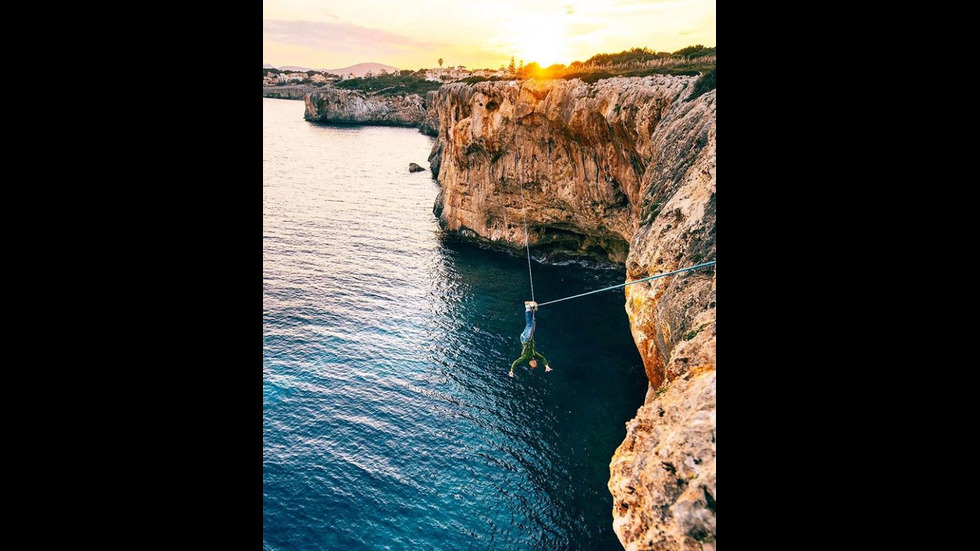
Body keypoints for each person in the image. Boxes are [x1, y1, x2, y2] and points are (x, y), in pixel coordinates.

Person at [509, 300, 552, 377]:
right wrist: (546, 366)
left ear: (530, 363)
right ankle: (531, 309)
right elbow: (542, 358)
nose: (535, 363)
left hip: (525, 339)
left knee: (529, 325)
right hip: (529, 338)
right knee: (533, 323)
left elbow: (516, 362)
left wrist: (512, 371)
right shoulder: (535, 355)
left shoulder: (525, 357)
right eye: (535, 364)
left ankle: (528, 308)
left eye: (533, 364)